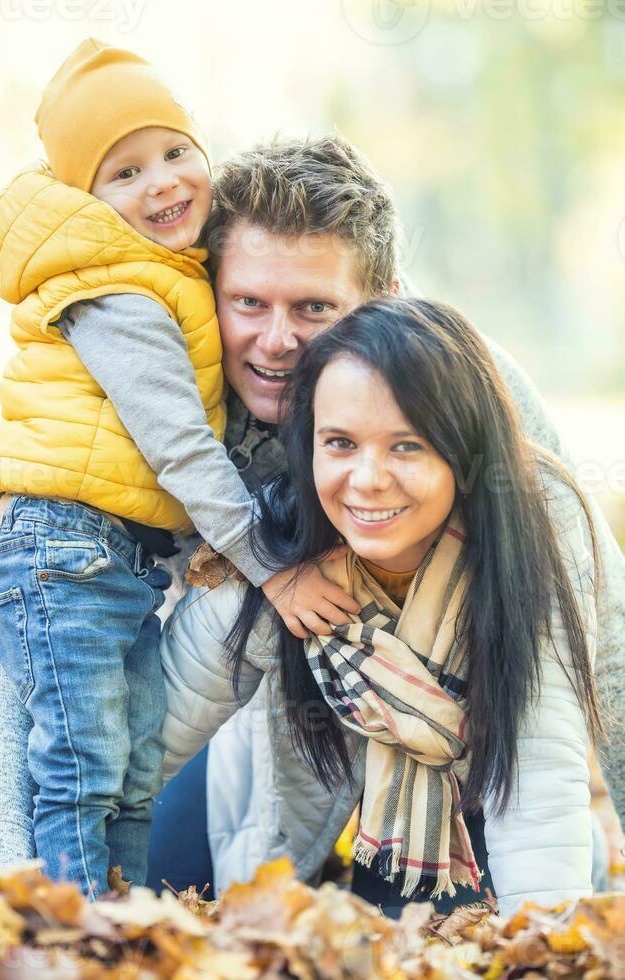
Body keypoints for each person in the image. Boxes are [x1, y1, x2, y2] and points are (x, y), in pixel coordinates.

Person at [0, 136, 623, 900]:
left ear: (387, 300)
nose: (276, 342)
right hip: (262, 715)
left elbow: (603, 639)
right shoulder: (155, 408)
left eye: (314, 307)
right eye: (249, 302)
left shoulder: (474, 402)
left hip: (460, 744)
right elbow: (38, 636)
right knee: (143, 847)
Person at [0, 42, 355, 897]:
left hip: (118, 561)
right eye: (124, 171)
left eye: (177, 151)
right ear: (88, 198)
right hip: (62, 549)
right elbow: (180, 447)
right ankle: (71, 935)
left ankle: (134, 921)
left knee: (133, 761)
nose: (162, 182)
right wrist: (278, 572)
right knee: (83, 765)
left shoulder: (173, 277)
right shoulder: (121, 296)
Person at [161, 296, 603, 920]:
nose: (367, 479)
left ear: (465, 452)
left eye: (407, 446)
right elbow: (157, 724)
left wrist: (548, 941)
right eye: (340, 442)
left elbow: (538, 778)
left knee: (415, 936)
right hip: (290, 802)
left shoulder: (528, 547)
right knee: (150, 873)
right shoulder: (281, 550)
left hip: (460, 819)